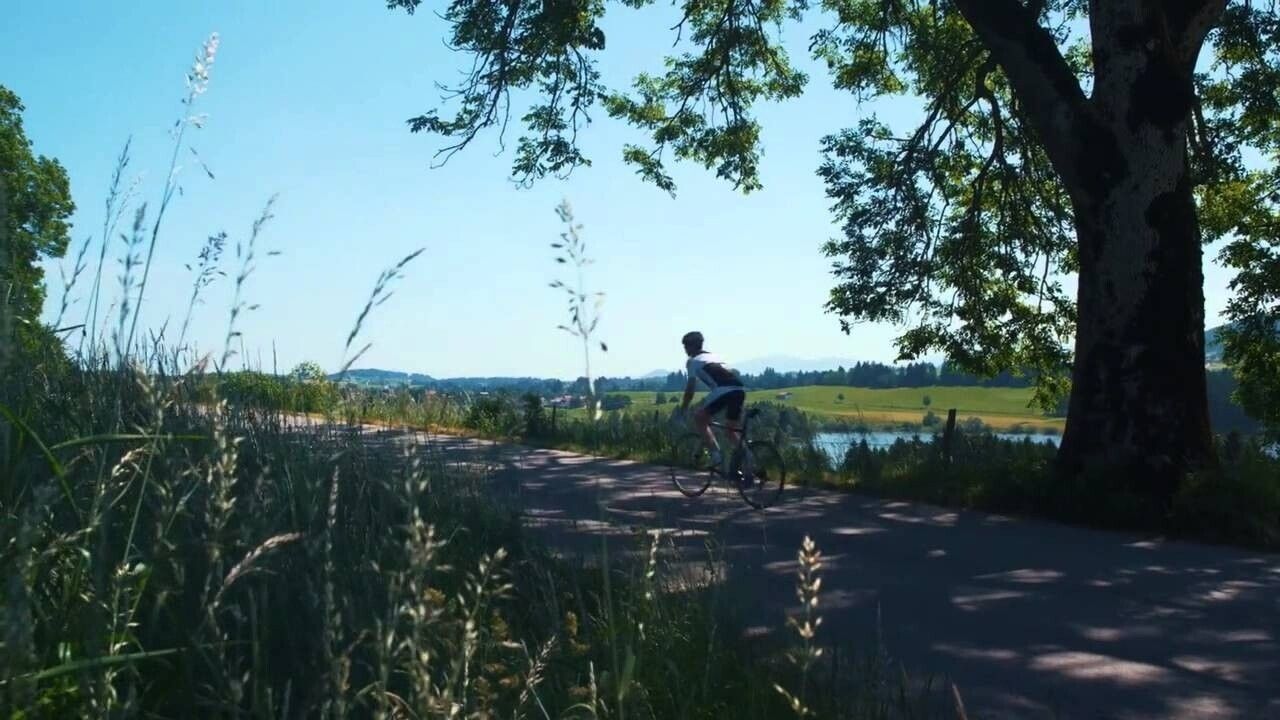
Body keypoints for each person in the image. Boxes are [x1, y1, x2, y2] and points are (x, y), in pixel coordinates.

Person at [677, 331, 746, 472]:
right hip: (739, 390)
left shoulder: (693, 361)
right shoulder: (715, 357)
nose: (685, 350)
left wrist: (683, 408)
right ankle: (750, 459)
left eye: (686, 346)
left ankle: (716, 456)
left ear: (691, 346)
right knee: (730, 430)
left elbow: (690, 389)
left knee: (699, 418)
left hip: (723, 390)